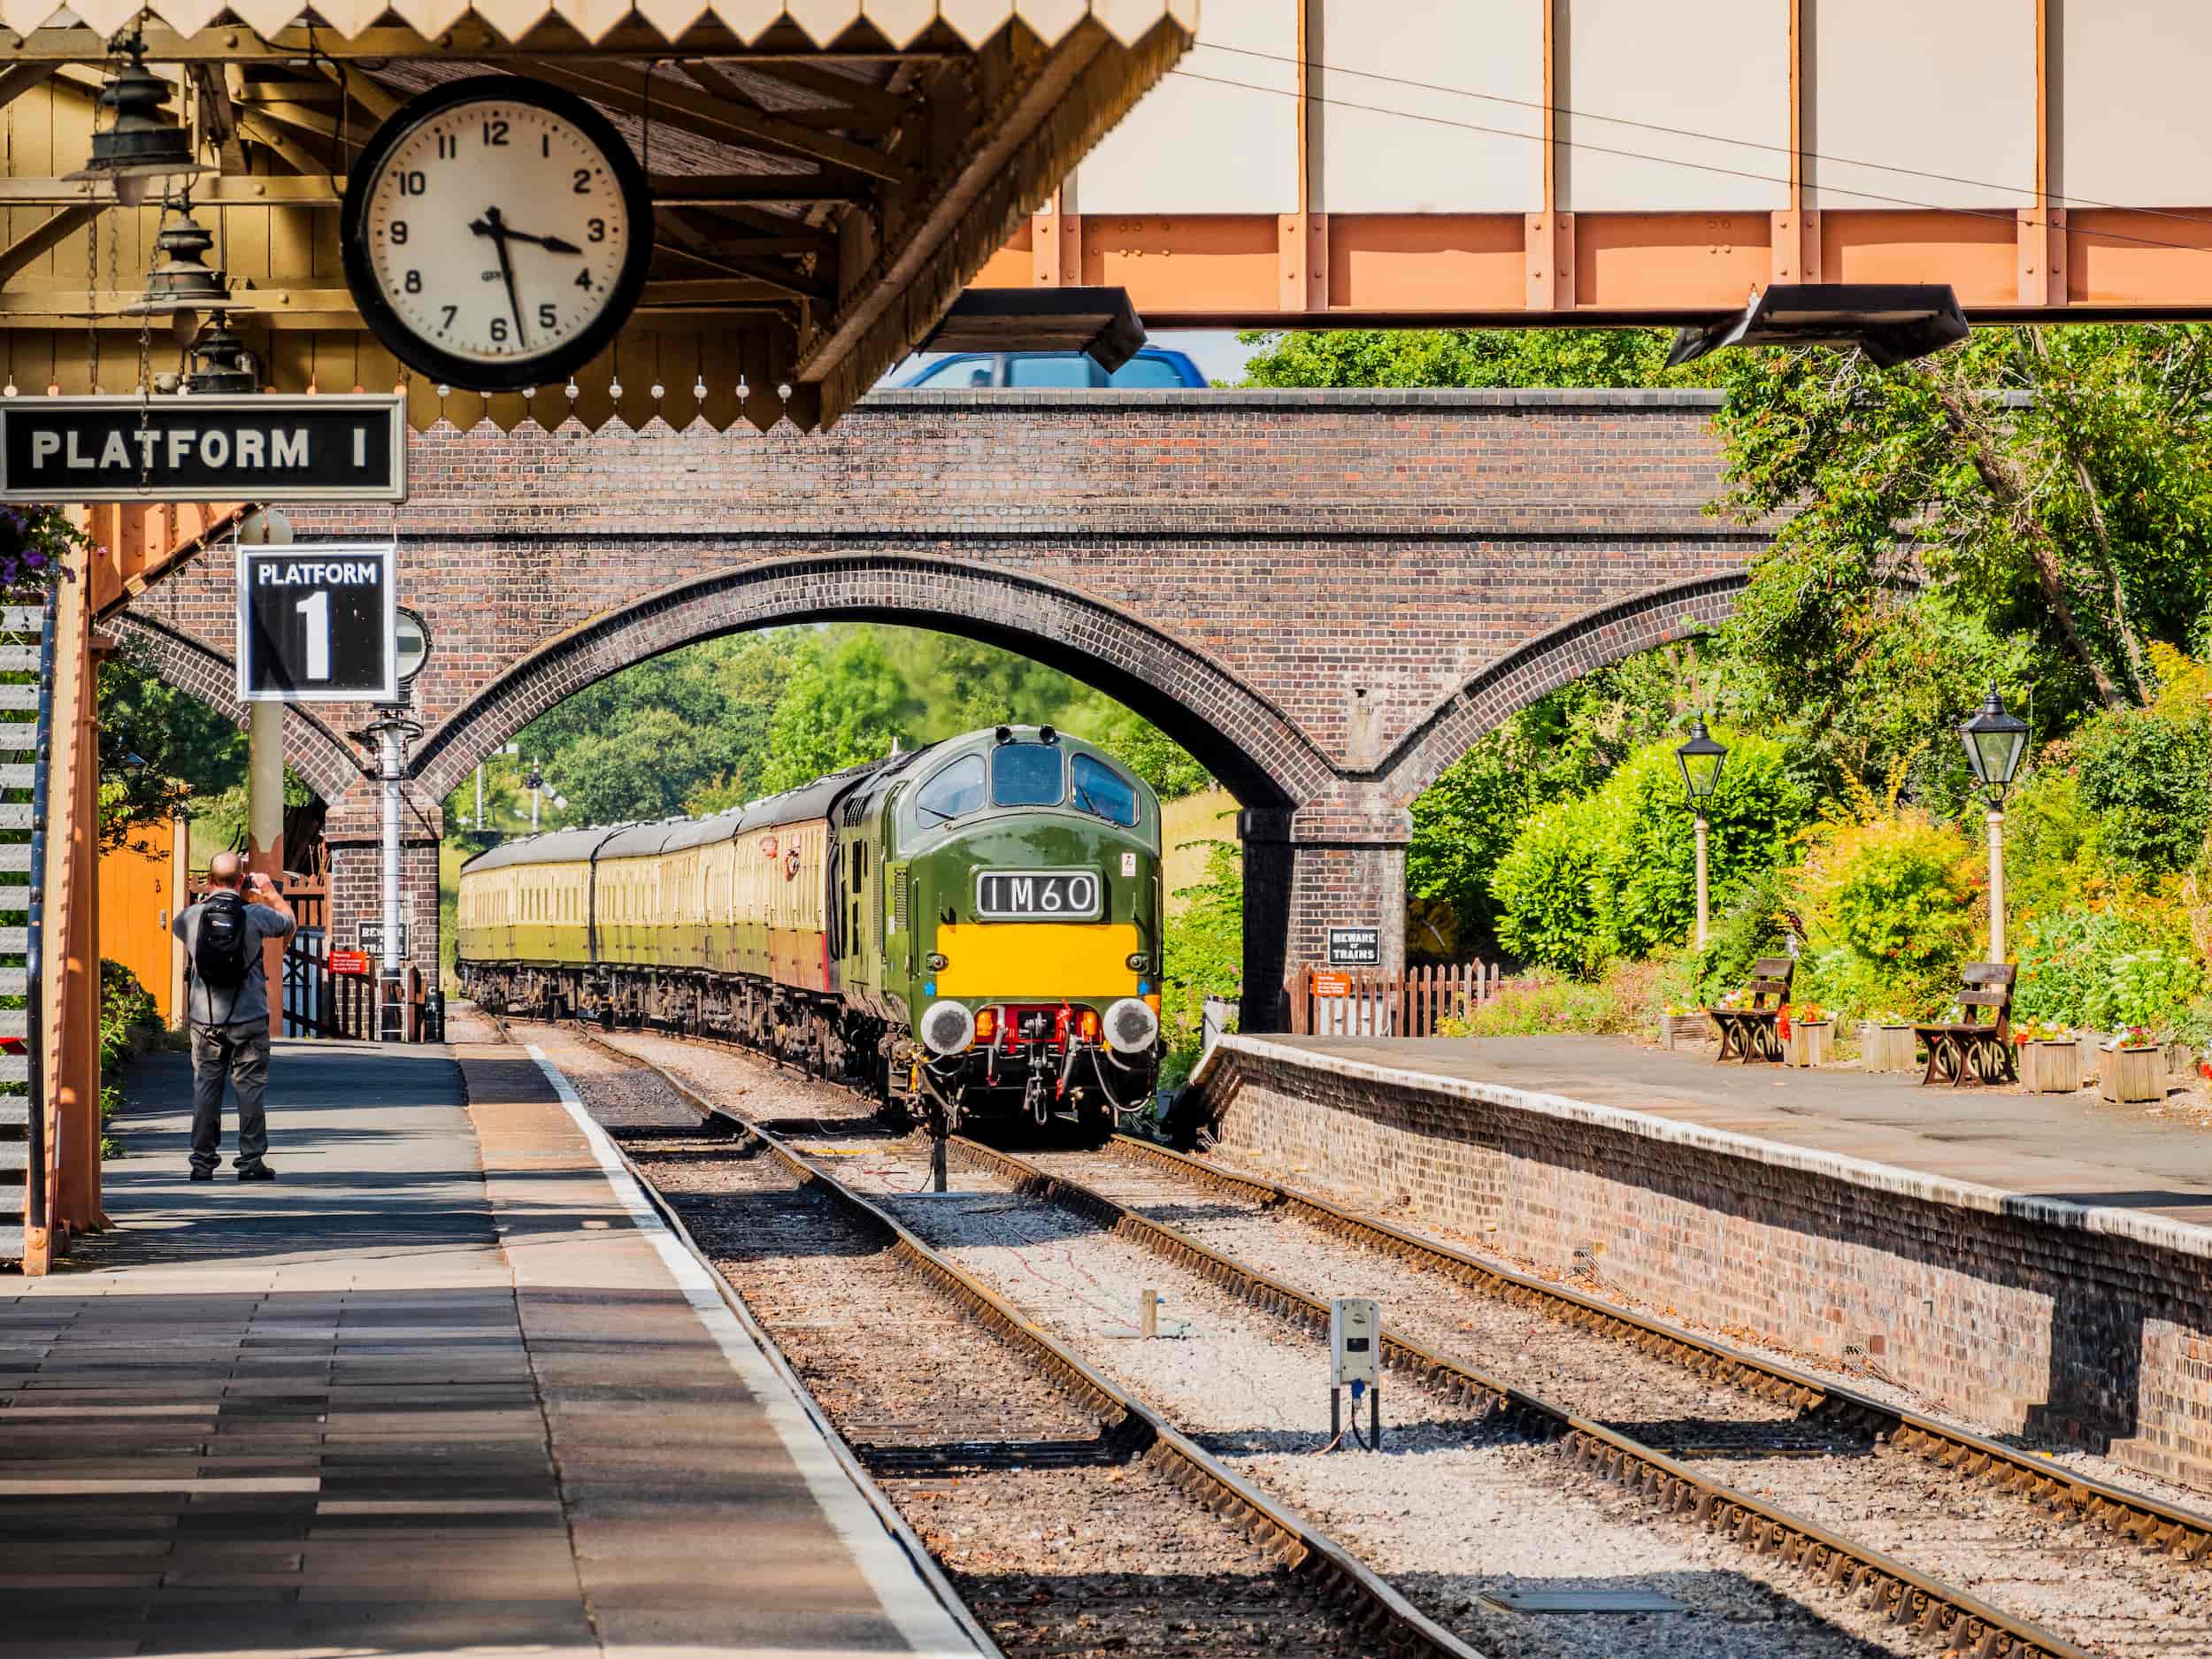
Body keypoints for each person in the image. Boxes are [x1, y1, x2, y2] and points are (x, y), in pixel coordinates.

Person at [172, 853, 296, 1181]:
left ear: (210, 881)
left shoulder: (190, 917)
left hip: (205, 1019)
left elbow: (179, 928)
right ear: (242, 881)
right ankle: (251, 1162)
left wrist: (207, 900)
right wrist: (269, 892)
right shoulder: (255, 916)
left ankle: (202, 1163)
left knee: (206, 1089)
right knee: (250, 1088)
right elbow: (289, 923)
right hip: (249, 1017)